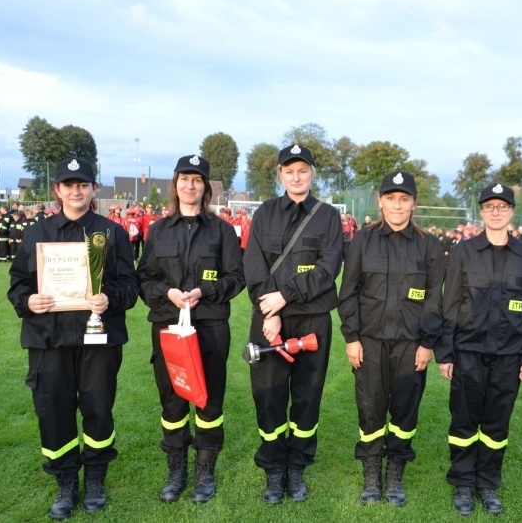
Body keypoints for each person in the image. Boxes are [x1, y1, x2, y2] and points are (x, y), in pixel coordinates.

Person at [7, 157, 138, 519]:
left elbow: (131, 286)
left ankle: (95, 475)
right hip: (48, 340)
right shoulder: (37, 234)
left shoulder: (113, 233)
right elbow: (17, 284)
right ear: (58, 190)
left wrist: (110, 297)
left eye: (83, 184)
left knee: (98, 409)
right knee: (54, 411)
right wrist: (28, 301)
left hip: (99, 339)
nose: (76, 191)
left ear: (94, 189)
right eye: (69, 185)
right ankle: (66, 481)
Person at [137, 155, 245, 503]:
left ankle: (204, 473)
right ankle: (176, 471)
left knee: (209, 402)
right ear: (175, 185)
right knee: (172, 401)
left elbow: (236, 278)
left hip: (210, 327)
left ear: (207, 187)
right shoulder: (157, 230)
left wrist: (206, 292)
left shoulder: (223, 230)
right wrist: (165, 293)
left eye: (198, 180)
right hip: (168, 328)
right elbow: (144, 278)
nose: (190, 186)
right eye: (185, 179)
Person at [437, 184, 522, 516]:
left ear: (512, 212)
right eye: (489, 207)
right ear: (481, 212)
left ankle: (487, 482)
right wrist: (446, 353)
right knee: (464, 421)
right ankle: (463, 483)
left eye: (502, 206)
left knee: (497, 425)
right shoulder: (463, 251)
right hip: (468, 351)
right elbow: (450, 304)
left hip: (509, 356)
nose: (496, 212)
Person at [243, 144, 344, 504]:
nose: (296, 177)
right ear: (280, 175)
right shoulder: (265, 213)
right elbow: (253, 267)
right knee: (269, 397)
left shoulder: (329, 216)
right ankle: (273, 469)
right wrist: (271, 314)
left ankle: (297, 466)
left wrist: (284, 297)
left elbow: (328, 269)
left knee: (306, 397)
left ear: (312, 174)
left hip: (312, 319)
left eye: (303, 170)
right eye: (289, 171)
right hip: (268, 319)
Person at [338, 171, 444, 507]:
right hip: (368, 341)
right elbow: (348, 291)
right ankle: (372, 473)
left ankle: (395, 473)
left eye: (404, 199)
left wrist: (427, 343)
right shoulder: (362, 240)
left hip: (411, 345)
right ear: (380, 201)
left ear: (413, 203)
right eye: (390, 198)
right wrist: (351, 337)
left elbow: (434, 300)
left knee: (404, 410)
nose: (397, 205)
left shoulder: (429, 245)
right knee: (370, 408)